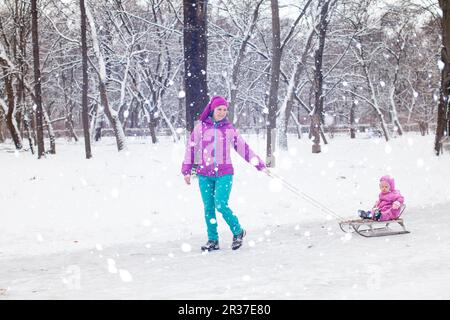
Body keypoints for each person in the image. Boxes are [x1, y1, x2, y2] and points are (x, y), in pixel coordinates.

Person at [181, 96, 270, 251]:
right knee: (208, 208)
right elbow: (191, 149)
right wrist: (186, 170)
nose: (222, 112)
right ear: (212, 110)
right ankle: (213, 240)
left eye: (224, 110)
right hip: (204, 174)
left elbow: (243, 148)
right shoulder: (200, 127)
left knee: (220, 204)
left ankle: (238, 231)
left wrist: (259, 165)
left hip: (224, 173)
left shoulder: (228, 129)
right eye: (219, 109)